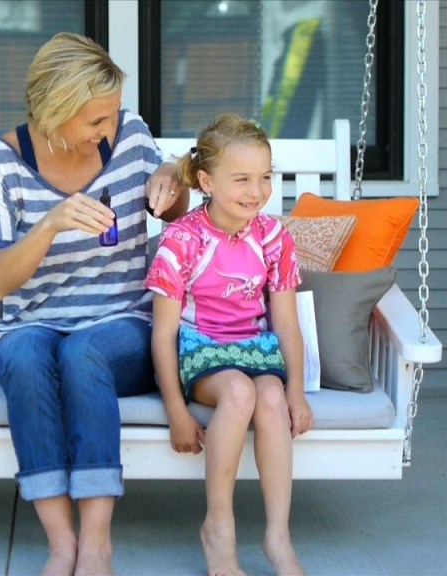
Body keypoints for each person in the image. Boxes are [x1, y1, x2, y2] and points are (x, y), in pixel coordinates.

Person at [0, 32, 189, 576]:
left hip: (124, 322)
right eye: (95, 121)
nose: (108, 130)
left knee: (83, 352)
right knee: (23, 357)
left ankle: (96, 546)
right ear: (53, 113)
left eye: (111, 116)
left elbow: (178, 215)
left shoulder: (130, 138)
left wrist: (173, 179)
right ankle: (60, 543)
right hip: (33, 324)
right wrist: (50, 223)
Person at [145, 114, 313, 576]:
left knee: (272, 395)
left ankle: (278, 536)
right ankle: (219, 528)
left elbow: (286, 324)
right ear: (206, 181)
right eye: (241, 179)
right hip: (201, 349)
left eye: (265, 178)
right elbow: (163, 334)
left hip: (254, 348)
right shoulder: (182, 240)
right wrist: (177, 411)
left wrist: (296, 388)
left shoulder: (274, 237)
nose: (256, 191)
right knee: (239, 391)